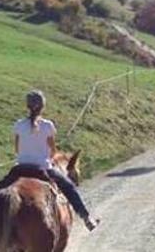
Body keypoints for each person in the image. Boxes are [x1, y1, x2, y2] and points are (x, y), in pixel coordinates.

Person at [13, 90, 100, 231]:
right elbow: (53, 151)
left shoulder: (18, 125)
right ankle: (86, 218)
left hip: (20, 168)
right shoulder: (47, 126)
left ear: (27, 106)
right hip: (42, 168)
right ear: (43, 107)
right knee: (69, 188)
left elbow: (17, 149)